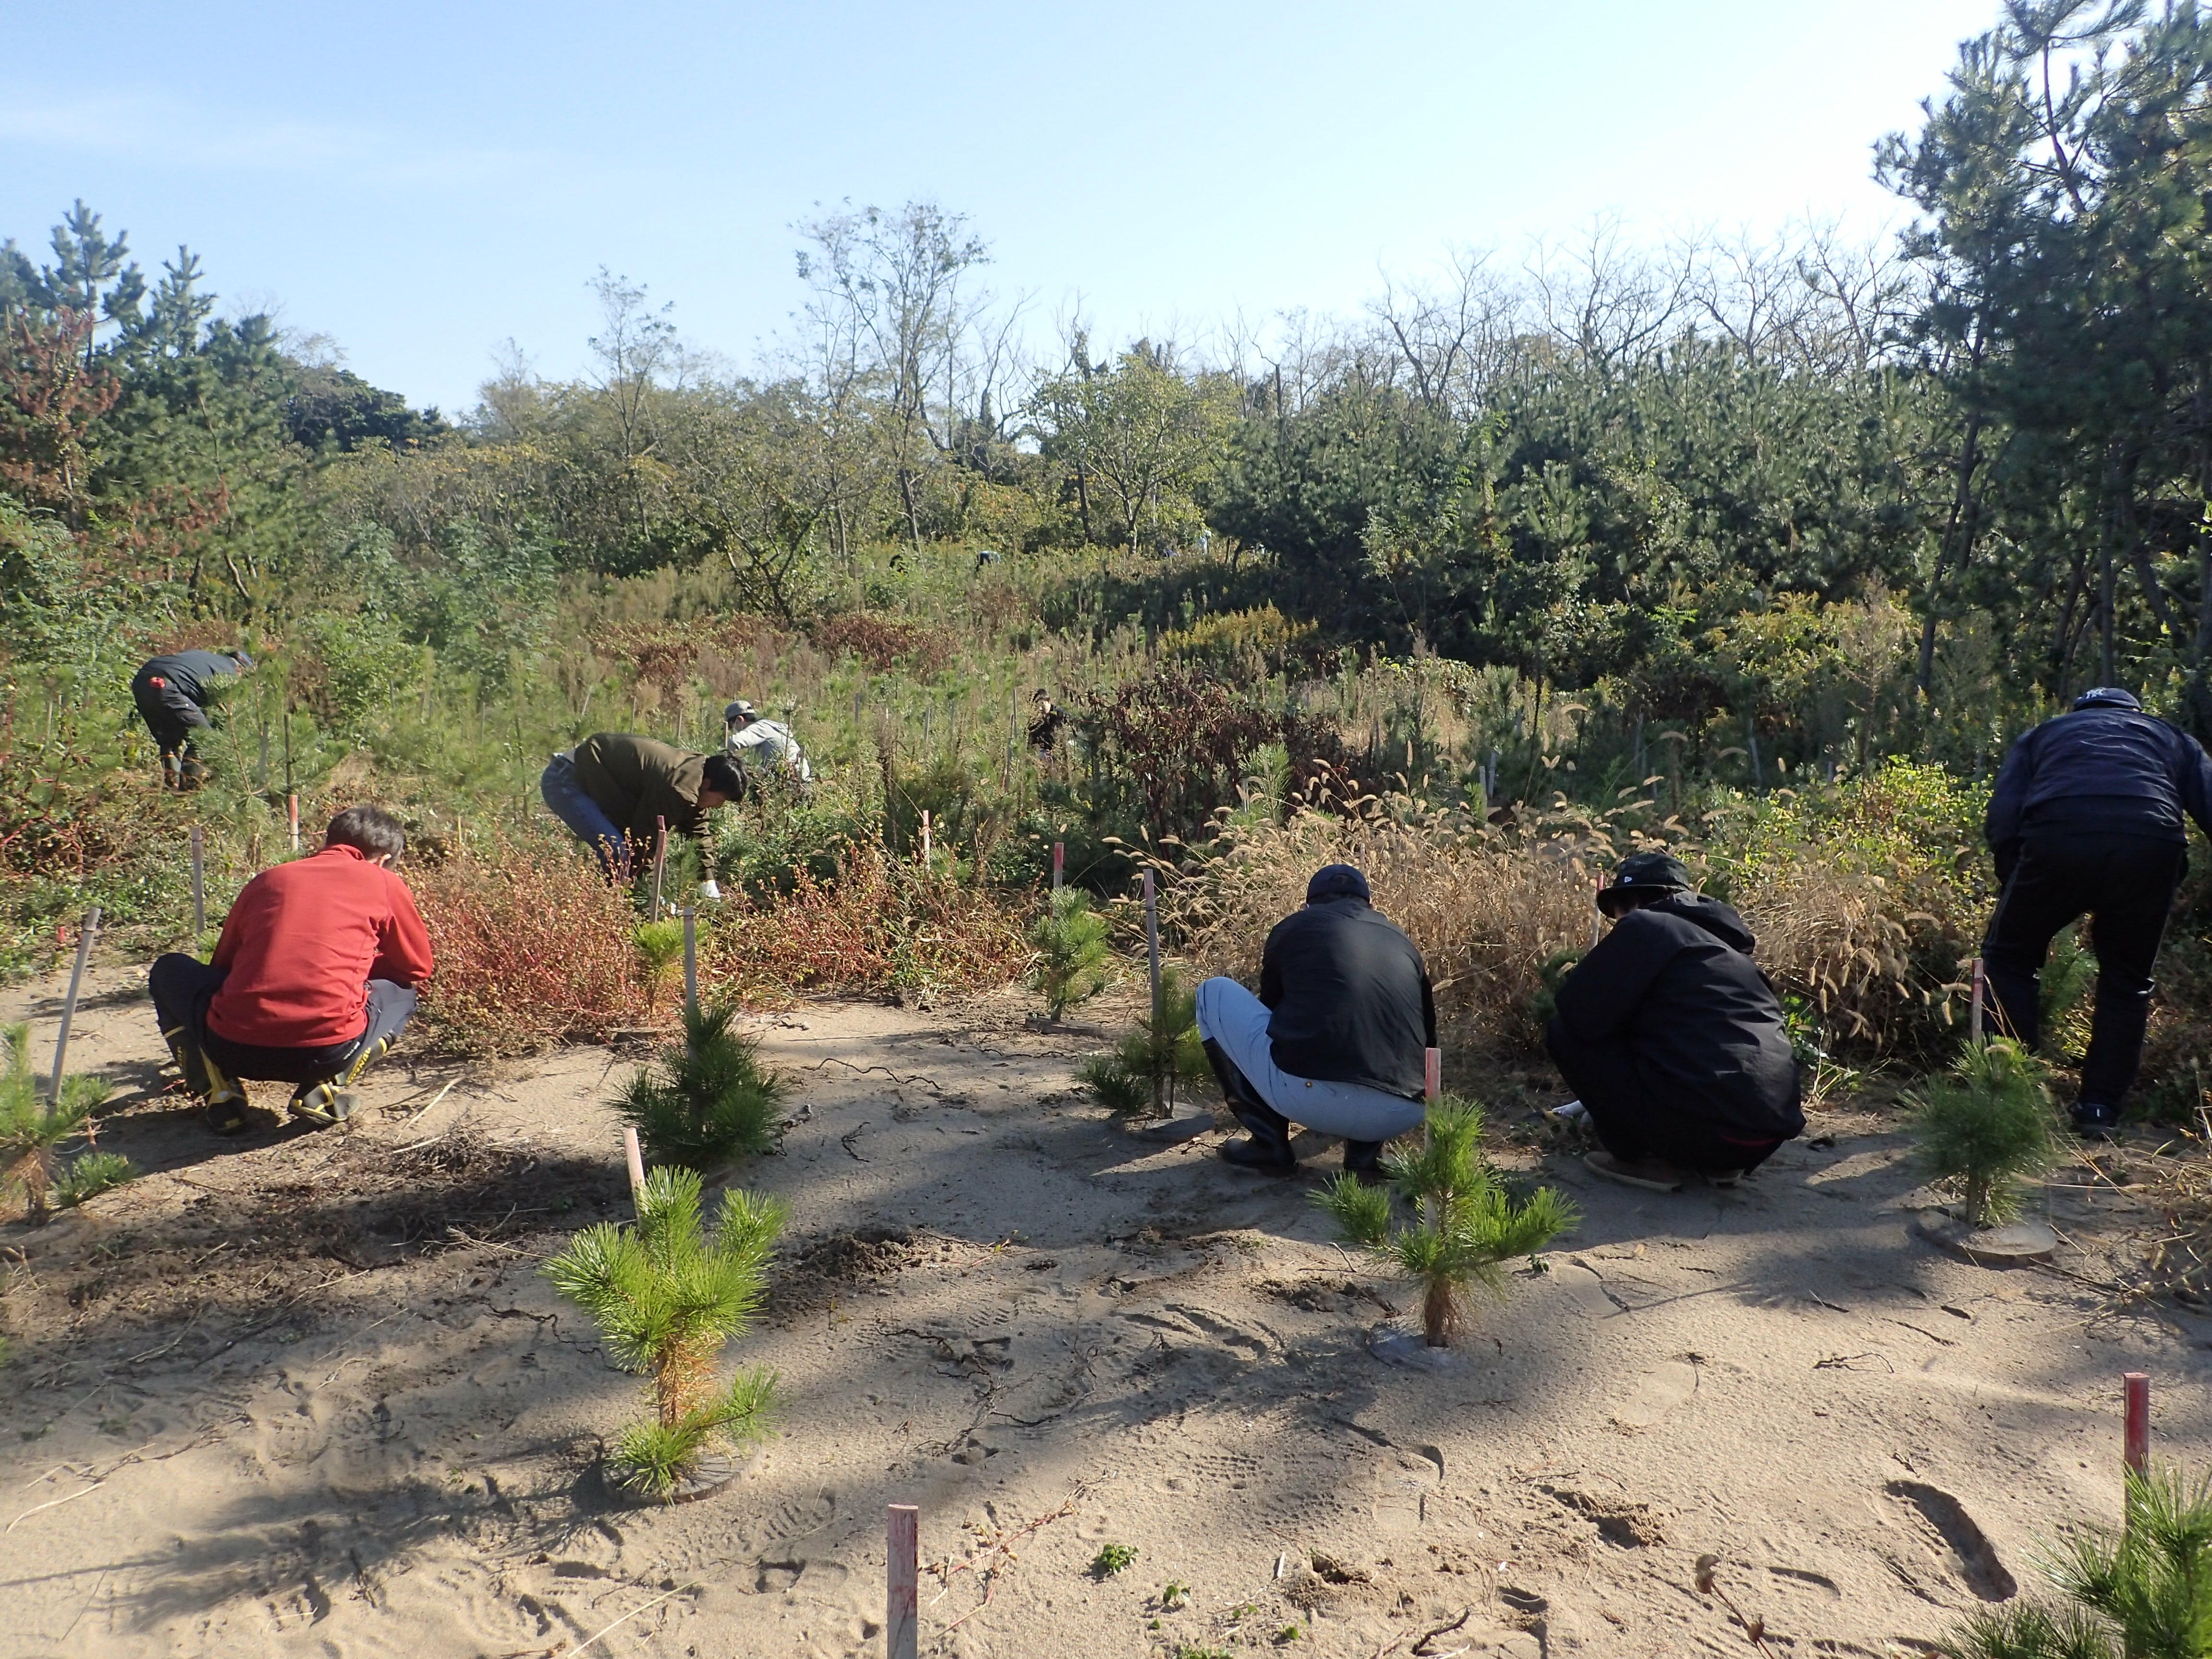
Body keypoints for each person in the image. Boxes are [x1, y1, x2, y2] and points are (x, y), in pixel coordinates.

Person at [1982, 686, 2212, 1138]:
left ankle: (2013, 1096)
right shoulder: (2172, 737)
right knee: (2127, 981)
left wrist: (2017, 883)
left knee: (2009, 959)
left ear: (2080, 713)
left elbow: (2003, 818)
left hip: (2058, 837)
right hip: (2149, 845)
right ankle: (2099, 1110)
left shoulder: (2044, 734)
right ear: (2135, 713)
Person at [148, 805, 433, 1134]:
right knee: (403, 991)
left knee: (168, 969)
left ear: (328, 842)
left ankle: (220, 1095)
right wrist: (355, 971)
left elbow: (223, 967)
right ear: (384, 860)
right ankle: (324, 1088)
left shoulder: (269, 879)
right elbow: (417, 966)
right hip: (327, 1053)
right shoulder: (382, 882)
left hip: (231, 1048)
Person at [1547, 852, 1803, 1191]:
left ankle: (1643, 1159)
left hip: (1698, 1130)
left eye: (1617, 912)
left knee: (1564, 1031)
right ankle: (1719, 1166)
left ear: (1632, 903)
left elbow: (1579, 1011)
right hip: (1765, 1136)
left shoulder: (1644, 925)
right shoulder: (1730, 954)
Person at [1194, 864, 1433, 1179]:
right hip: (1404, 1112)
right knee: (1376, 1032)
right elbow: (1428, 1039)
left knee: (1212, 991)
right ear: (1369, 905)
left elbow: (1272, 1014)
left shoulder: (1293, 928)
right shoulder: (1402, 941)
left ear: (1309, 905)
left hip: (1313, 1099)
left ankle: (1269, 1145)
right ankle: (1365, 1156)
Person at [539, 732, 745, 879]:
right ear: (708, 784)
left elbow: (698, 833)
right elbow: (644, 842)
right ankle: (614, 915)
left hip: (591, 778)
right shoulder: (677, 787)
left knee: (624, 858)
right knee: (619, 854)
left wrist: (708, 883)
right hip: (567, 779)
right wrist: (647, 898)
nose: (719, 806)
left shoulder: (694, 778)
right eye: (721, 799)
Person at [131, 648, 253, 786]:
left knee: (169, 739)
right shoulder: (229, 674)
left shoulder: (204, 657)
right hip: (168, 686)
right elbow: (224, 717)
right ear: (241, 669)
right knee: (204, 737)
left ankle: (171, 786)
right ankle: (188, 788)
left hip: (142, 683)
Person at [724, 700, 813, 787]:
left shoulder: (759, 728)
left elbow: (733, 742)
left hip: (791, 781)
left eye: (731, 726)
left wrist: (721, 758)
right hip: (801, 778)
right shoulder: (769, 726)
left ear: (739, 720)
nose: (733, 731)